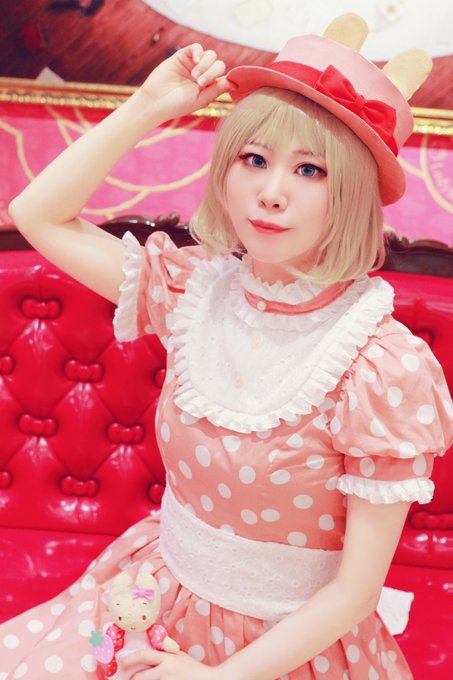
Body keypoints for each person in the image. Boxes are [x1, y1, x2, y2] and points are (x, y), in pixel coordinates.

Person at [3, 12, 453, 680]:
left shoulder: (382, 366)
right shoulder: (192, 291)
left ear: (353, 193)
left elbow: (354, 593)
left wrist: (217, 679)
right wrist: (148, 107)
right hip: (157, 599)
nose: (270, 194)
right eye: (254, 159)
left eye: (310, 169)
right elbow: (37, 215)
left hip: (285, 650)